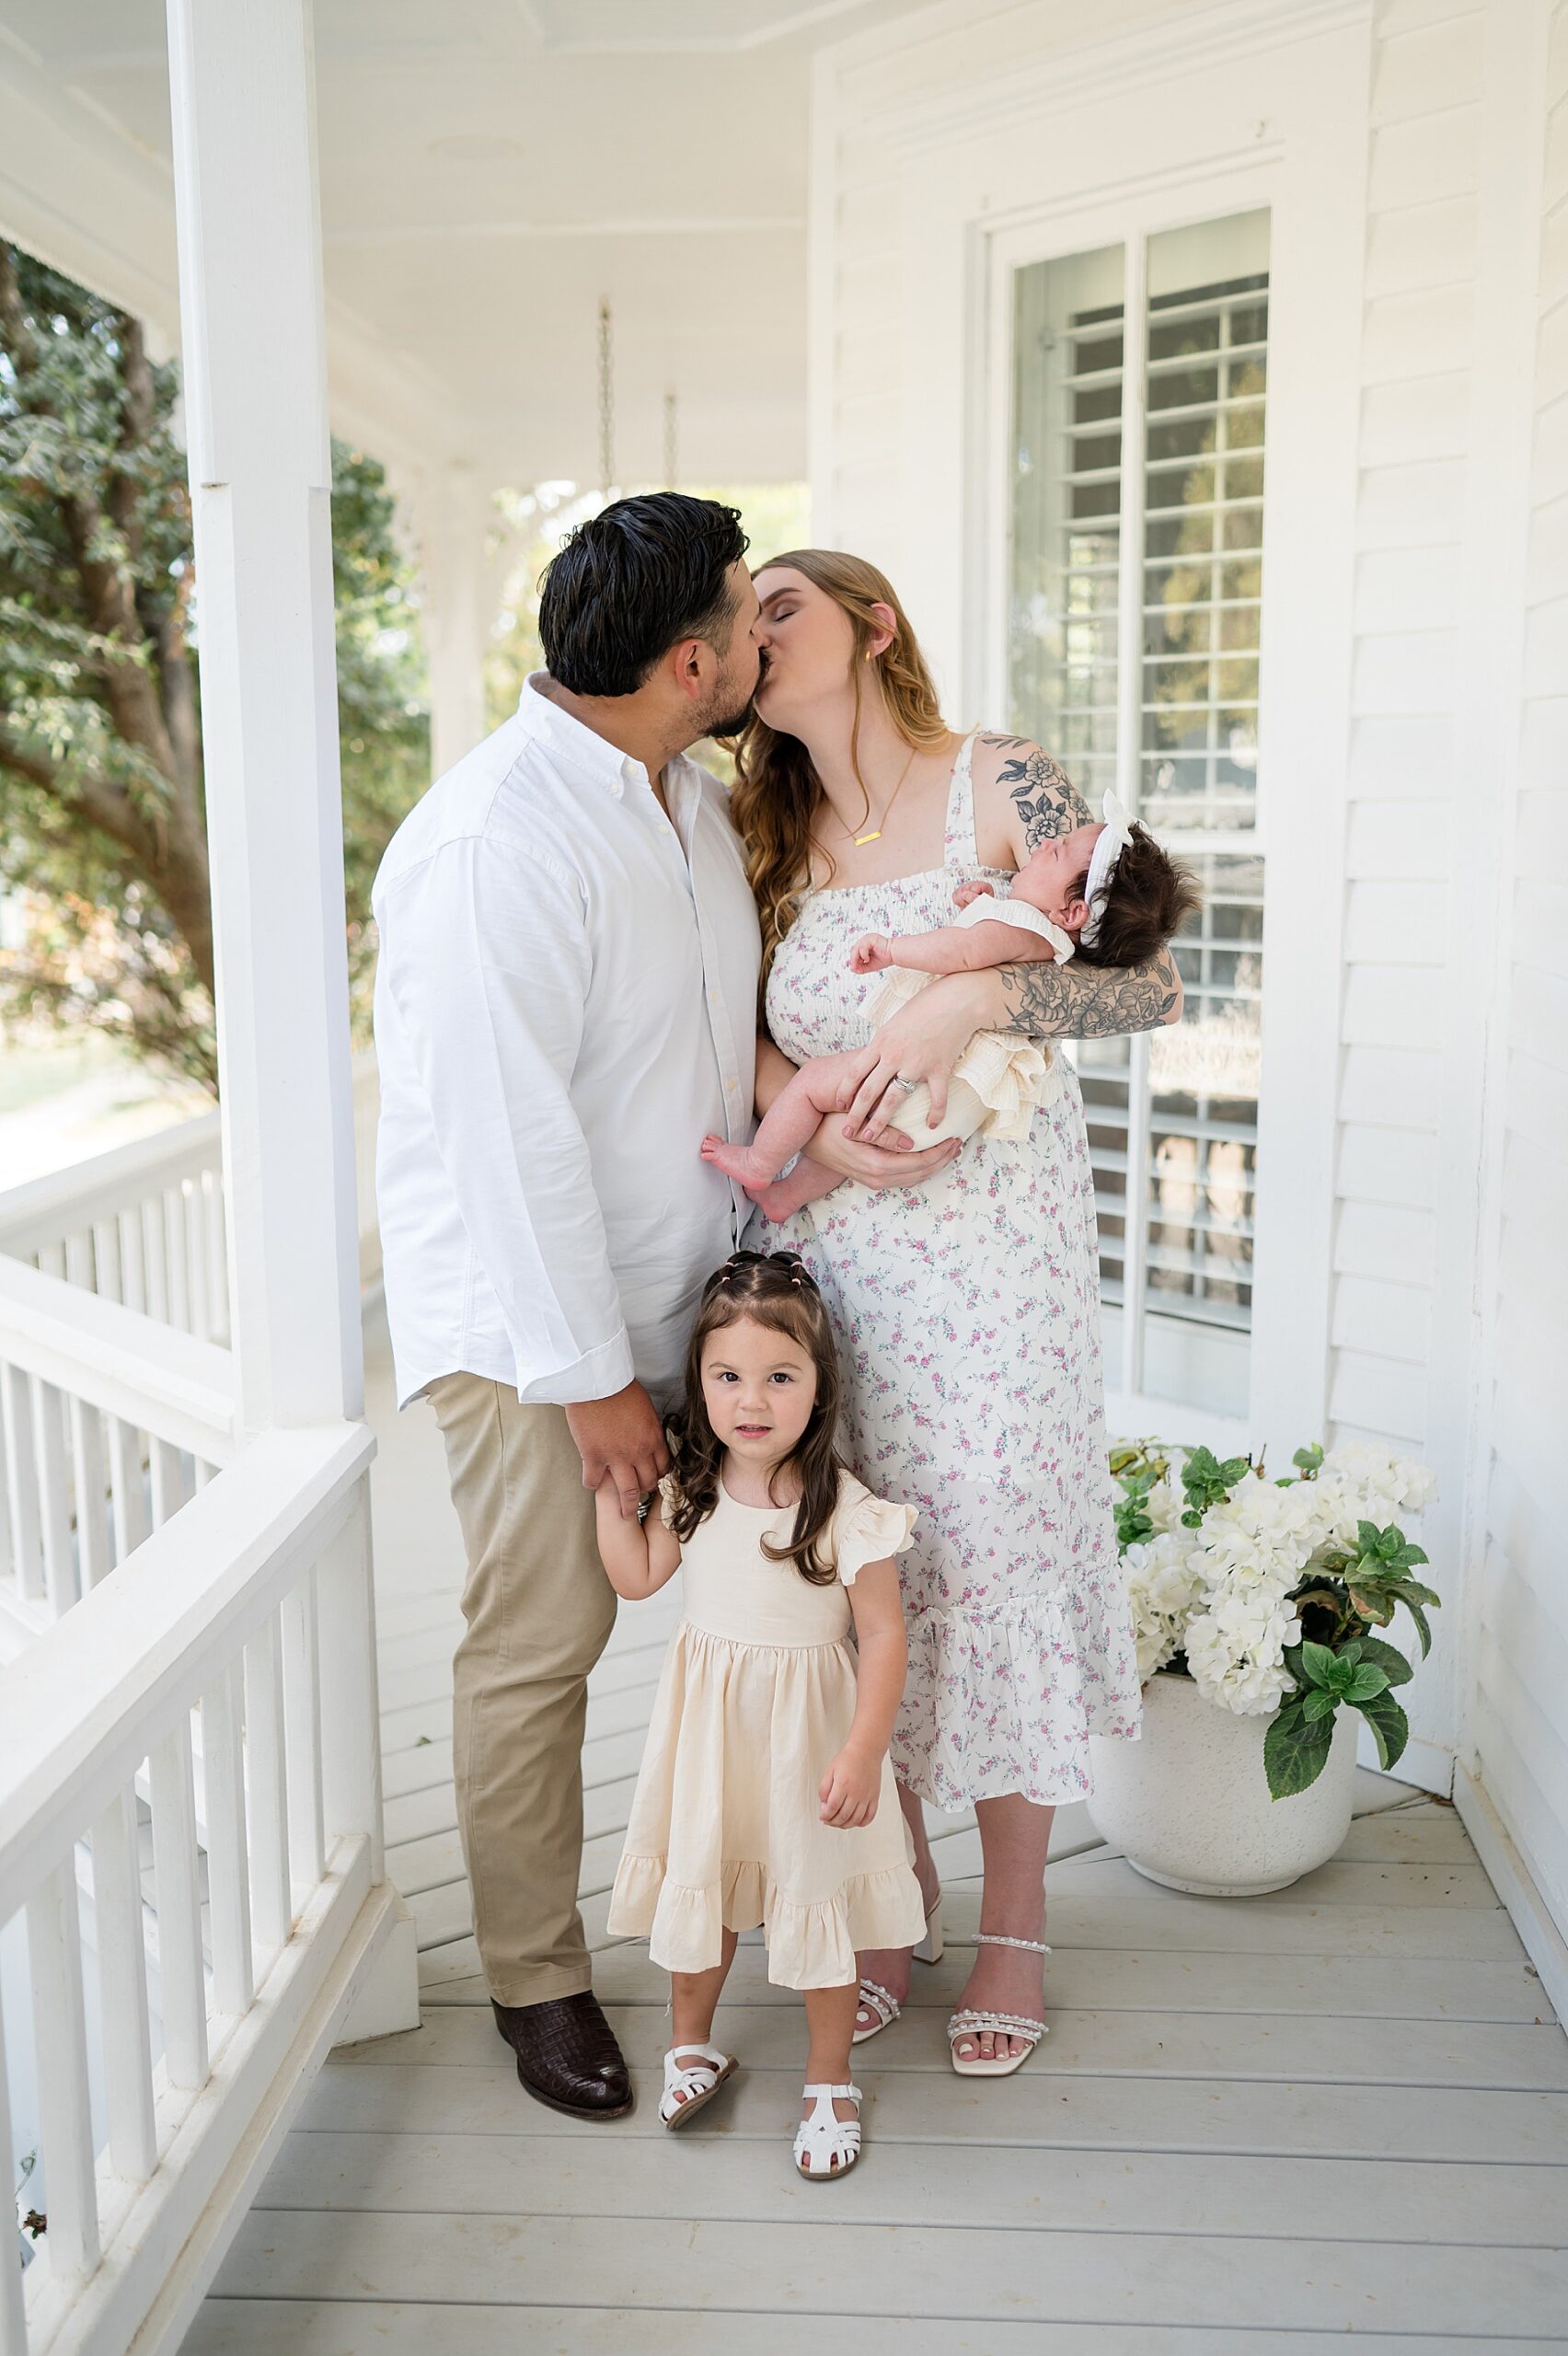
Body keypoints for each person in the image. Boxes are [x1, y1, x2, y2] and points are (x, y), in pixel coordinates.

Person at [372, 493, 847, 2121]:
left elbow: (706, 1035)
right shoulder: (495, 841)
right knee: (543, 1642)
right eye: (744, 619)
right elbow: (507, 1151)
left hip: (688, 1291)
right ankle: (537, 1979)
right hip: (530, 1338)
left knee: (755, 1609)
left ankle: (774, 1900)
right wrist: (593, 1391)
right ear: (689, 660)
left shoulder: (682, 798)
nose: (759, 641)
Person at [731, 549, 1186, 2078]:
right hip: (835, 1258)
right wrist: (817, 1128)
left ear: (869, 626)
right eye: (736, 615)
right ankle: (887, 1888)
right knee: (867, 1557)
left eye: (776, 601)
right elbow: (725, 1043)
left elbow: (1144, 989)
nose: (750, 629)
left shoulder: (1005, 778)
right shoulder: (755, 835)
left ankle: (1010, 1922)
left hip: (1000, 1252)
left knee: (986, 1541)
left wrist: (975, 998)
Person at [599, 1250, 925, 2178]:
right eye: (728, 1376)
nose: (752, 1399)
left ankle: (829, 2079)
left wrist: (864, 1751)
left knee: (816, 1908)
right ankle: (691, 2043)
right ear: (699, 1381)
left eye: (780, 1377)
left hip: (812, 1744)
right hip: (711, 1742)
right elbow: (635, 1576)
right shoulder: (693, 1492)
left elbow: (885, 1638)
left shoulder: (843, 1507)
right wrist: (608, 1498)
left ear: (819, 1391)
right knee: (702, 1893)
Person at [704, 799, 1199, 1220]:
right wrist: (978, 899)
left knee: (812, 1085)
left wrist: (893, 948)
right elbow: (982, 934)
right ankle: (785, 1197)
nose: (1047, 843)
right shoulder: (1035, 933)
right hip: (943, 1103)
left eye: (1060, 852)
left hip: (926, 1078)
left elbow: (960, 952)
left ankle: (760, 1162)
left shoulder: (1018, 931)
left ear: (1072, 914)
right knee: (857, 1136)